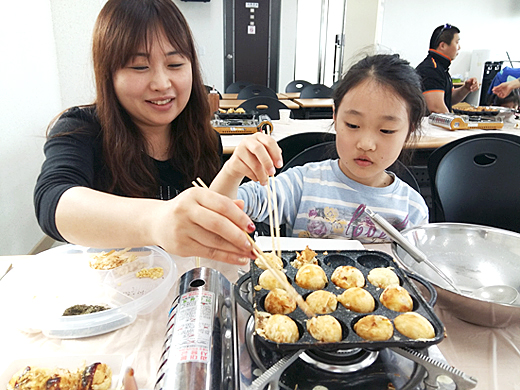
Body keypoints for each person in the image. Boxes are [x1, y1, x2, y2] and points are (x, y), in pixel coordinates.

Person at [33, 0, 255, 264]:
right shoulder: (81, 128)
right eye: (139, 67)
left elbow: (205, 224)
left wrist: (232, 172)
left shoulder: (202, 137)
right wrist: (157, 220)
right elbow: (53, 200)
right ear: (108, 74)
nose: (162, 83)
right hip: (112, 293)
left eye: (175, 65)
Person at [210, 54, 429, 244]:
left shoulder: (413, 209)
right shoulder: (304, 183)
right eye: (352, 125)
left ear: (409, 130)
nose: (365, 144)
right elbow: (220, 209)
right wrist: (232, 171)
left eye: (386, 130)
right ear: (335, 116)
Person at [416, 24, 479, 113]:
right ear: (442, 46)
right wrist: (456, 123)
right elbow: (436, 108)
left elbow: (448, 99)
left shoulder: (440, 67)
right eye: (457, 42)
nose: (459, 47)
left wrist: (466, 88)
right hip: (428, 126)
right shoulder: (431, 69)